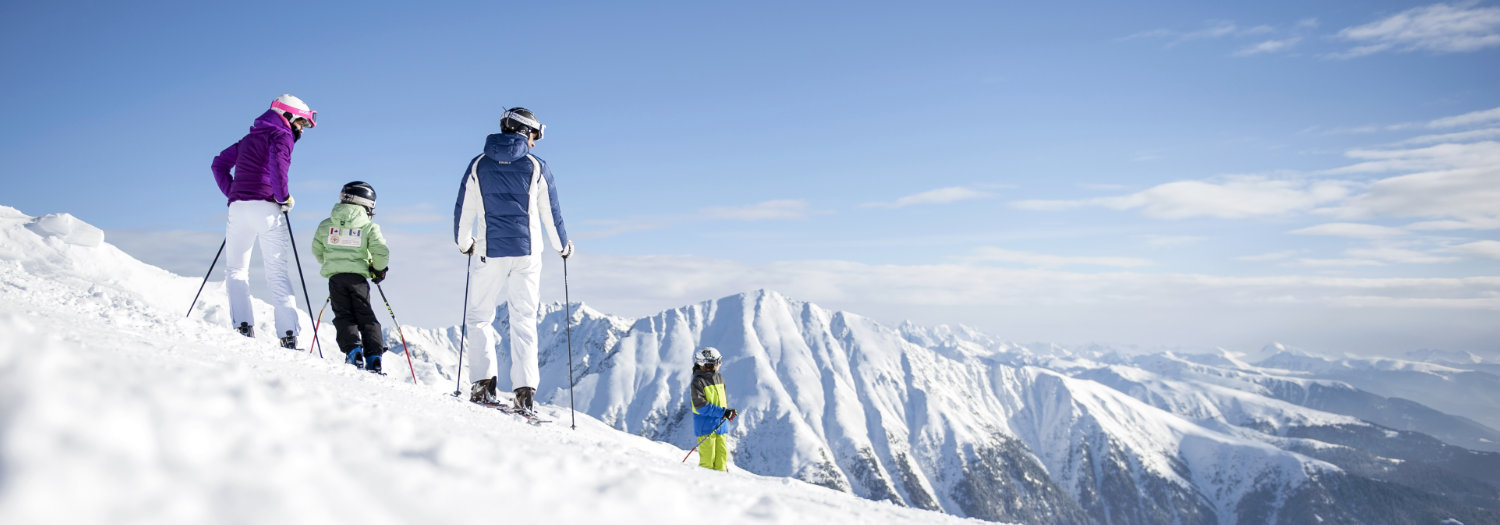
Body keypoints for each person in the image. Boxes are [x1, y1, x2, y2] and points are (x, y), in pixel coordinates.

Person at [454, 107, 573, 414]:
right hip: (527, 253)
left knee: (480, 317)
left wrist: (464, 242)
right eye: (535, 136)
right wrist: (562, 247)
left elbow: (463, 209)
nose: (535, 143)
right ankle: (524, 394)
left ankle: (482, 387)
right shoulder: (537, 166)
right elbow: (552, 213)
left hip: (488, 250)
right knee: (523, 319)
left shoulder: (478, 164)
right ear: (525, 131)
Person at [211, 94, 317, 348]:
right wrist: (284, 197)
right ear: (288, 116)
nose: (301, 129)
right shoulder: (282, 136)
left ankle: (242, 327)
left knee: (236, 270)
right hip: (267, 207)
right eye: (301, 123)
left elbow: (218, 164)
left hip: (238, 209)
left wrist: (235, 192)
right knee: (276, 272)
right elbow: (278, 166)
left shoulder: (248, 139)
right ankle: (288, 335)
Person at [311, 181, 390, 373]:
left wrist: (331, 263)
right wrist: (378, 270)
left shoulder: (325, 225)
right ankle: (374, 357)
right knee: (366, 316)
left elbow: (317, 250)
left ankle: (353, 350)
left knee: (343, 316)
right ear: (366, 204)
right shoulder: (369, 227)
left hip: (336, 279)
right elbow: (381, 251)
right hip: (358, 280)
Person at [690, 347, 737, 472]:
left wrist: (727, 412)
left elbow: (721, 402)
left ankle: (721, 487)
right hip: (706, 428)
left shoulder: (719, 378)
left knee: (721, 459)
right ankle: (705, 487)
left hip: (720, 426)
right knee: (708, 461)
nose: (718, 365)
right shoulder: (698, 382)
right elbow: (701, 406)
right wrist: (723, 412)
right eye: (717, 362)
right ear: (708, 364)